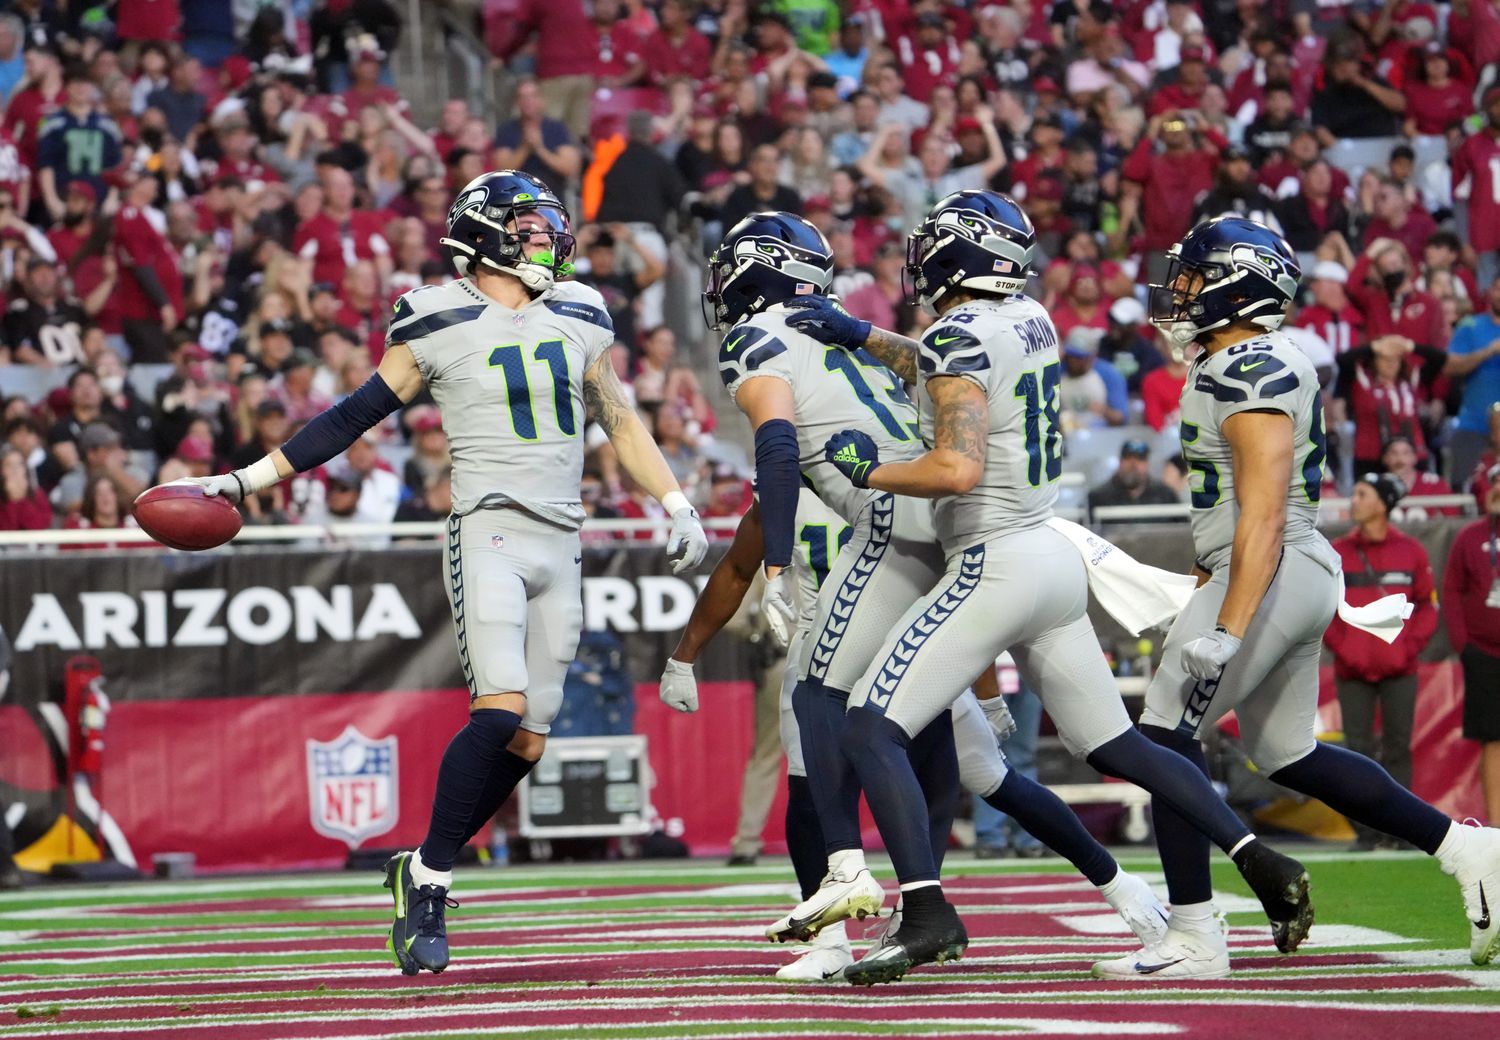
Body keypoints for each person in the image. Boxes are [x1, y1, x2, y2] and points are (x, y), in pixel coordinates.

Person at [182, 170, 708, 977]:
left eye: (546, 226)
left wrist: (674, 502)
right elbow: (356, 413)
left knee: (531, 742)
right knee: (499, 715)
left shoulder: (580, 310)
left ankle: (419, 863)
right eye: (529, 228)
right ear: (485, 233)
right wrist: (249, 481)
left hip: (564, 541)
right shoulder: (434, 312)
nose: (547, 239)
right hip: (489, 531)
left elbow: (618, 417)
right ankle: (430, 882)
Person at [802, 194, 1316, 986]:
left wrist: (861, 467)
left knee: (870, 725)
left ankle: (930, 911)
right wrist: (868, 337)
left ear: (957, 257)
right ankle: (1259, 857)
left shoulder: (956, 335)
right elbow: (953, 373)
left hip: (993, 559)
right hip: (1053, 550)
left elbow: (955, 467)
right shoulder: (1030, 317)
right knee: (1116, 744)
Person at [700, 209, 1169, 980]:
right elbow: (938, 378)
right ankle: (1117, 889)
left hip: (901, 532)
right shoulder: (858, 337)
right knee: (972, 764)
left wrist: (779, 566)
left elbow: (780, 450)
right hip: (950, 540)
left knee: (822, 709)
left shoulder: (764, 352)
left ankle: (864, 888)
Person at [1093, 216, 1500, 981]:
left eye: (1196, 274)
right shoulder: (1238, 358)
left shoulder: (1245, 363)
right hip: (1289, 569)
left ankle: (1193, 935)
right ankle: (1468, 849)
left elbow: (1266, 509)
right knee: (1288, 752)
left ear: (1238, 286)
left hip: (1277, 564)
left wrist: (1232, 620)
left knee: (1161, 740)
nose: (1181, 288)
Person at [660, 489, 1167, 982]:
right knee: (811, 790)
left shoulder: (906, 479)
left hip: (915, 652)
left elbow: (972, 586)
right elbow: (736, 568)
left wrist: (985, 691)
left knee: (991, 777)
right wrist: (682, 656)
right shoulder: (801, 486)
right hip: (836, 656)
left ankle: (1122, 891)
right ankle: (832, 941)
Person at [1325, 473, 1439, 848]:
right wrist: (1345, 649)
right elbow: (1323, 607)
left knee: (1398, 747)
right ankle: (1366, 832)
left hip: (1399, 668)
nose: (1352, 500)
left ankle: (1401, 829)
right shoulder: (1338, 552)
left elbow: (1427, 606)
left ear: (1382, 504)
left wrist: (1408, 648)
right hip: (1352, 670)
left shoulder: (1411, 552)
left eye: (1361, 494)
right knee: (1356, 751)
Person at [1444, 469, 1500, 826]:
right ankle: (1497, 828)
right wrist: (1465, 645)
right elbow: (1451, 590)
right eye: (1494, 483)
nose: (1497, 490)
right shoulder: (1470, 536)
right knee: (1493, 741)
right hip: (1485, 654)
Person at [1444, 278, 1500, 490]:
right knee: (1463, 486)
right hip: (1473, 423)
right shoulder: (1470, 325)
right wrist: (1488, 351)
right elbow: (1450, 366)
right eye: (1498, 289)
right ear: (1490, 292)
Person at [1088, 440, 1182, 517]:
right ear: (1120, 462)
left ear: (1147, 464)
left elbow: (1181, 530)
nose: (1133, 464)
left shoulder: (1165, 495)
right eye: (1128, 458)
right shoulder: (1099, 497)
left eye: (1139, 459)